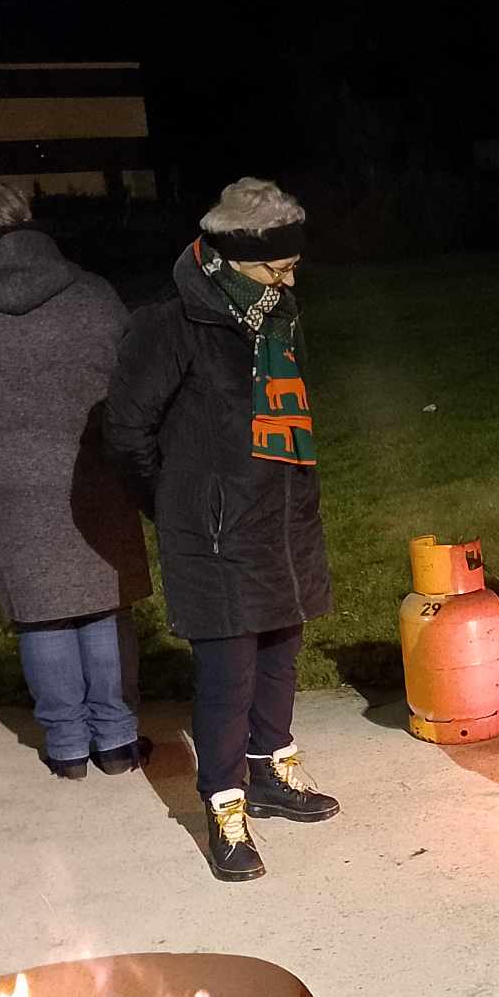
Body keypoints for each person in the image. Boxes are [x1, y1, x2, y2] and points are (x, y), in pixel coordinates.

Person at [104, 178, 336, 882]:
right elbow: (126, 431)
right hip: (215, 527)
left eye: (293, 265)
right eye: (276, 266)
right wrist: (178, 499)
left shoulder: (276, 316)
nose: (289, 277)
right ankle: (223, 804)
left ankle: (270, 769)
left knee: (280, 652)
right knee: (226, 676)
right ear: (230, 256)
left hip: (283, 515)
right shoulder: (170, 325)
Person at [0, 177, 152, 779]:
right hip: (89, 466)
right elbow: (135, 382)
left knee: (40, 610)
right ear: (26, 217)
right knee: (101, 602)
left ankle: (66, 746)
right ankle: (115, 740)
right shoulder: (90, 294)